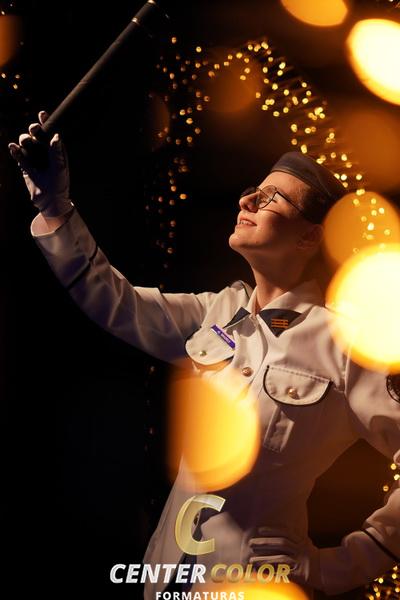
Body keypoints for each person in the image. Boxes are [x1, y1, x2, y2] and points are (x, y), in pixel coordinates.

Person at [9, 112, 400, 599]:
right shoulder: (216, 313)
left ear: (309, 237)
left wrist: (335, 566)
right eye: (253, 191)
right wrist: (53, 204)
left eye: (272, 197)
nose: (247, 201)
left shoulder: (345, 344)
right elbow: (113, 299)